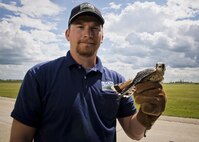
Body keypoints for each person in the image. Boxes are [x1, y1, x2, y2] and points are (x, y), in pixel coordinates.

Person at [10, 2, 166, 142]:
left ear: (102, 36)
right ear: (67, 34)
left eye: (94, 28)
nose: (88, 33)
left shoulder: (117, 80)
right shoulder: (39, 75)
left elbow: (134, 133)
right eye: (80, 26)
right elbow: (20, 137)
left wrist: (148, 115)